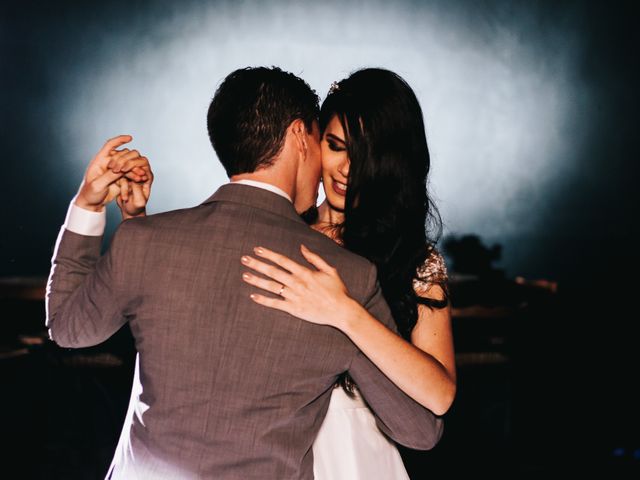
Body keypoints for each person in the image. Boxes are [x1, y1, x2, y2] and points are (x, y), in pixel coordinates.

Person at [45, 66, 443, 480]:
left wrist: (90, 207)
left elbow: (68, 329)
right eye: (331, 143)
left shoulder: (144, 240)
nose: (339, 168)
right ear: (300, 137)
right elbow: (419, 428)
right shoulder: (343, 275)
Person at [239, 68, 456, 479]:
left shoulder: (412, 258)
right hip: (268, 442)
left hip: (358, 453)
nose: (345, 169)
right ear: (313, 141)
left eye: (366, 156)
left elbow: (440, 395)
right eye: (336, 145)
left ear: (392, 165)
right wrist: (137, 220)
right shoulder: (278, 230)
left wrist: (345, 312)